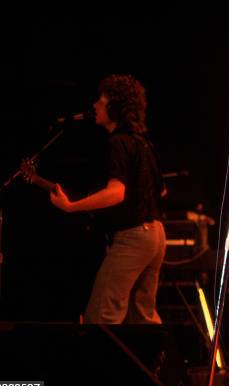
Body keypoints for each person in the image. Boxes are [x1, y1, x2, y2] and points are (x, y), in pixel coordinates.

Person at [50, 74, 166, 324]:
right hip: (156, 234)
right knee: (142, 317)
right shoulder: (143, 143)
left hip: (134, 236)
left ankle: (100, 364)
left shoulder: (119, 143)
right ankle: (158, 363)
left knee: (101, 315)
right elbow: (161, 191)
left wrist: (71, 207)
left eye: (101, 100)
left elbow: (117, 192)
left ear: (115, 106)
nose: (95, 105)